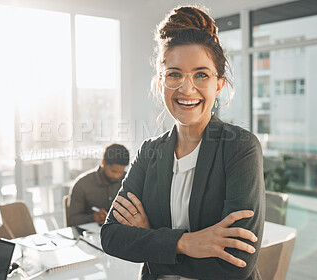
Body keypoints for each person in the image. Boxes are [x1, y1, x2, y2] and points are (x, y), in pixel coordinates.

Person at [101, 5, 265, 280]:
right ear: (160, 83)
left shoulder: (240, 146)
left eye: (201, 74)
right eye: (174, 74)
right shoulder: (149, 152)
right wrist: (186, 243)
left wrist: (151, 239)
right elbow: (111, 236)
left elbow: (236, 263)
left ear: (219, 85)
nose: (187, 89)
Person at [68, 143, 130, 226]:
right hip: (89, 235)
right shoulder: (82, 184)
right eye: (113, 171)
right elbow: (72, 220)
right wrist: (93, 218)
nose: (117, 176)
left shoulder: (127, 180)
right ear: (103, 162)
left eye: (121, 172)